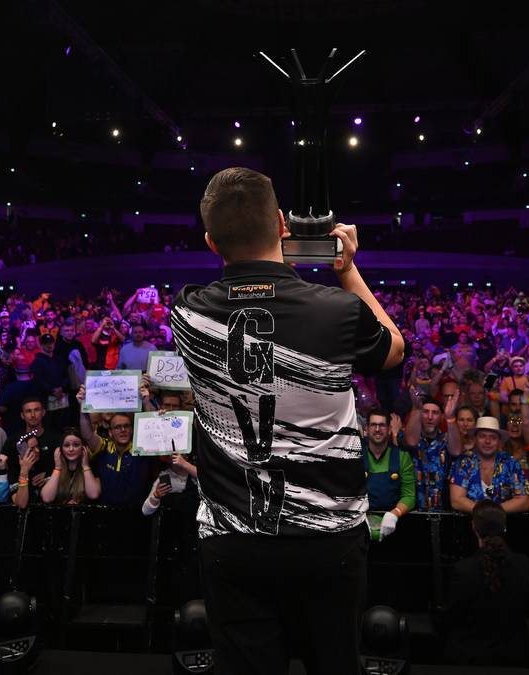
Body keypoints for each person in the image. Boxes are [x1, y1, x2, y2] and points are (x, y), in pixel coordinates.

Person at [170, 168, 403, 674]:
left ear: (211, 241)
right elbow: (394, 350)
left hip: (233, 540)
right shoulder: (338, 310)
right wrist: (346, 270)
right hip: (328, 541)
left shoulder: (187, 313)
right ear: (282, 224)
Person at [439, 500, 529, 667]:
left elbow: (452, 615)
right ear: (504, 527)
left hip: (470, 656)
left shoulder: (463, 570)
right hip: (514, 654)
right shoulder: (522, 564)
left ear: (474, 527)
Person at [449, 416, 529, 514]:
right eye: (482, 436)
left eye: (493, 437)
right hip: (468, 525)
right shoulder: (463, 462)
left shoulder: (511, 463)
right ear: (475, 439)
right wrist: (485, 513)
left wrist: (494, 512)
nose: (487, 441)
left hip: (504, 525)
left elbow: (524, 501)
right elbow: (456, 501)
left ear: (499, 442)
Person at [361, 409, 414, 540]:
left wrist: (395, 514)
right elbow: (348, 491)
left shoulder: (402, 457)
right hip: (362, 527)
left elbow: (409, 495)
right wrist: (359, 517)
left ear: (390, 430)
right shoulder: (356, 457)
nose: (377, 429)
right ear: (366, 429)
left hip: (396, 527)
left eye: (382, 425)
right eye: (373, 425)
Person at [41, 429, 101, 504]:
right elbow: (47, 498)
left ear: (83, 448)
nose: (71, 449)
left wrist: (85, 467)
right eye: (66, 445)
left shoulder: (92, 466)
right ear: (61, 449)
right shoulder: (54, 466)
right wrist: (57, 468)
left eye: (76, 445)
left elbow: (93, 495)